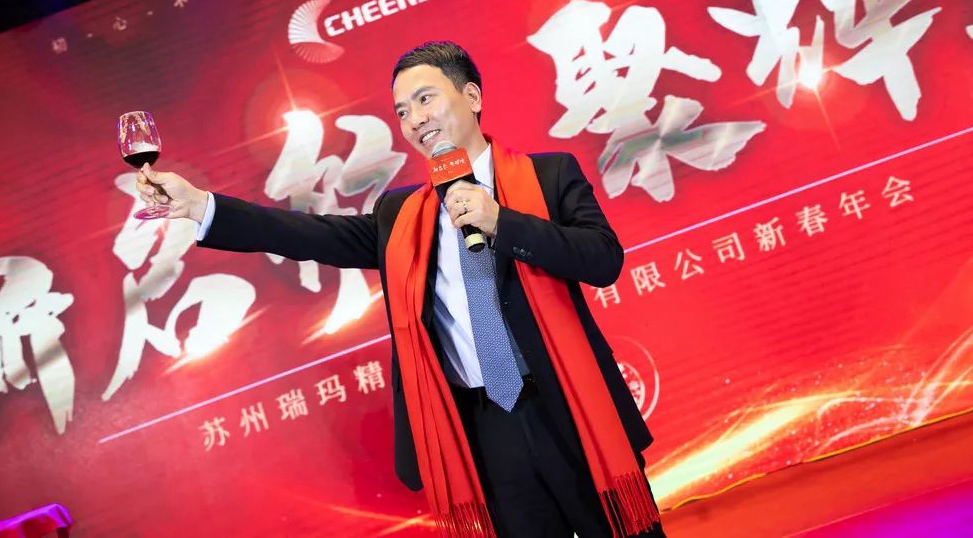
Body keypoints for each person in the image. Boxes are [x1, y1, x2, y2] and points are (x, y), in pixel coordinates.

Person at [135, 41, 666, 538]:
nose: (415, 120)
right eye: (403, 112)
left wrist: (502, 222)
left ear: (472, 96)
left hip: (572, 407)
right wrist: (201, 205)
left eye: (425, 99)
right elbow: (305, 234)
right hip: (485, 428)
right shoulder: (401, 216)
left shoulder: (549, 176)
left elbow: (603, 260)